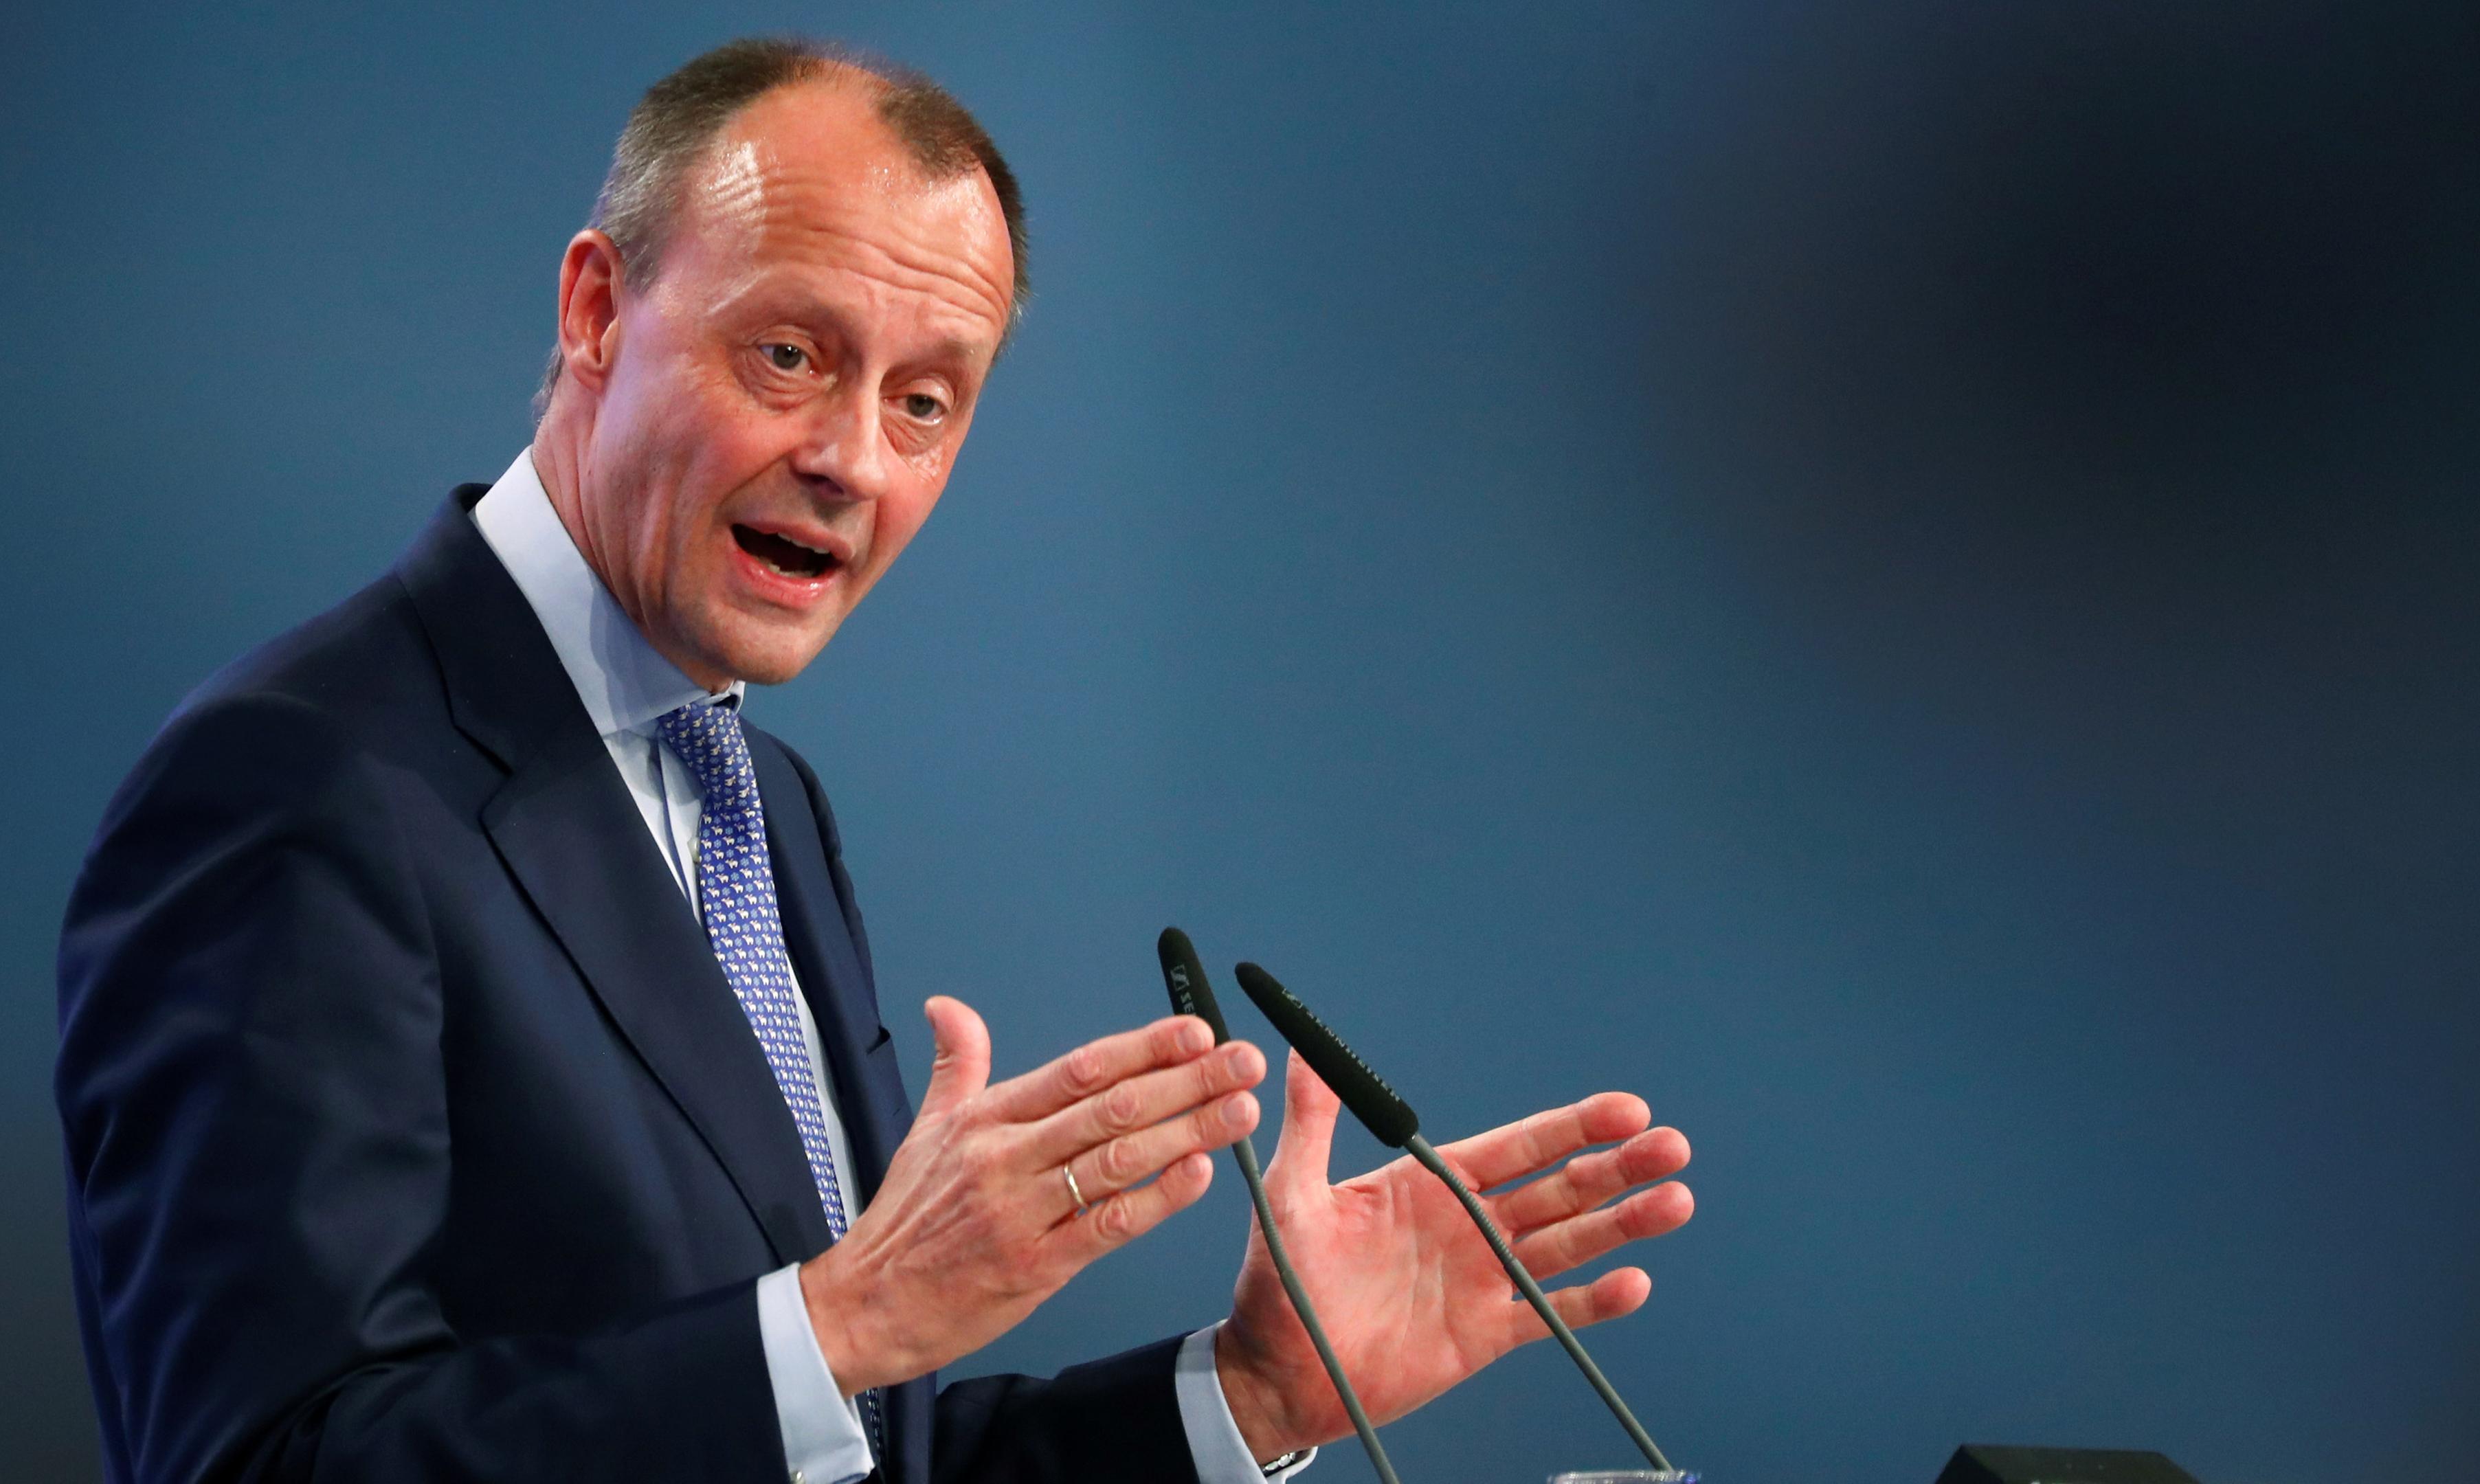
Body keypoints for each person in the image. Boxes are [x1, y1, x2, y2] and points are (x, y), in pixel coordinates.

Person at [55, 36, 1695, 1484]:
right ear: (597, 311)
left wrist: (1252, 1394)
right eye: (791, 355)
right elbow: (261, 1459)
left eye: (925, 401)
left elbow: (842, 1451)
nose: (851, 459)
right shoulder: (298, 788)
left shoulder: (760, 801)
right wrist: (841, 1320)